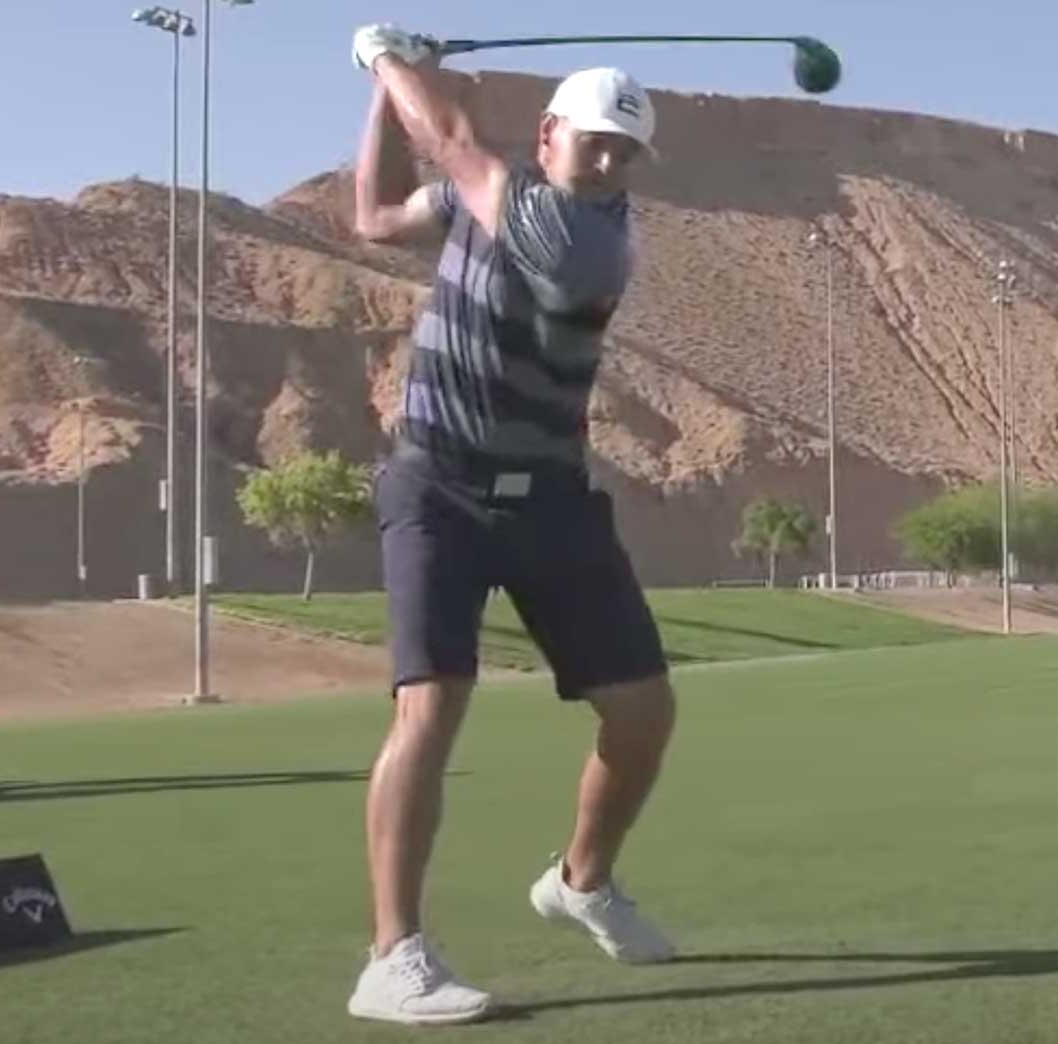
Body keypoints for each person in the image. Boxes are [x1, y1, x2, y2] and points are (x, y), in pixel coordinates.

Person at [342, 25, 678, 1027]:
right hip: (437, 487)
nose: (611, 163)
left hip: (550, 503)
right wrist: (378, 93)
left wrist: (381, 59)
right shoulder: (490, 200)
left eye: (626, 152)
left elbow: (446, 136)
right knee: (428, 711)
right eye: (595, 143)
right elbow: (371, 215)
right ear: (548, 136)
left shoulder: (586, 238)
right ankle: (392, 957)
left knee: (643, 712)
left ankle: (581, 881)